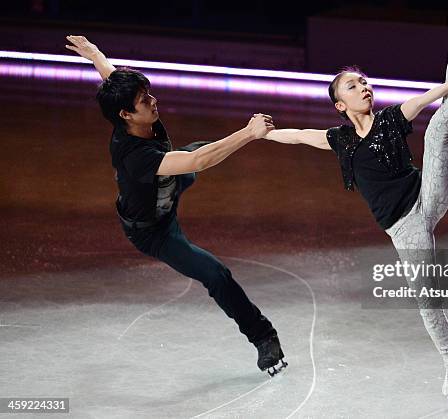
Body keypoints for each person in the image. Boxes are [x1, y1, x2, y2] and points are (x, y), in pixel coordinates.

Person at [263, 3, 448, 404]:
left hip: (427, 194)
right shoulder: (340, 140)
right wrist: (260, 134)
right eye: (352, 85)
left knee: (438, 133)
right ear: (340, 106)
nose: (363, 87)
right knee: (426, 301)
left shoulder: (391, 119)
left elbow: (426, 100)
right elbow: (296, 136)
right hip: (403, 227)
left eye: (365, 81)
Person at [65, 35, 287, 376]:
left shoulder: (131, 112)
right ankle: (264, 337)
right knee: (215, 273)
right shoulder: (134, 155)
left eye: (149, 93)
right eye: (144, 100)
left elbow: (111, 78)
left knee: (196, 155)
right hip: (153, 229)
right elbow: (199, 159)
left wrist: (95, 54)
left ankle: (191, 166)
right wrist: (248, 133)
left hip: (167, 184)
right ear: (126, 114)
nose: (154, 101)